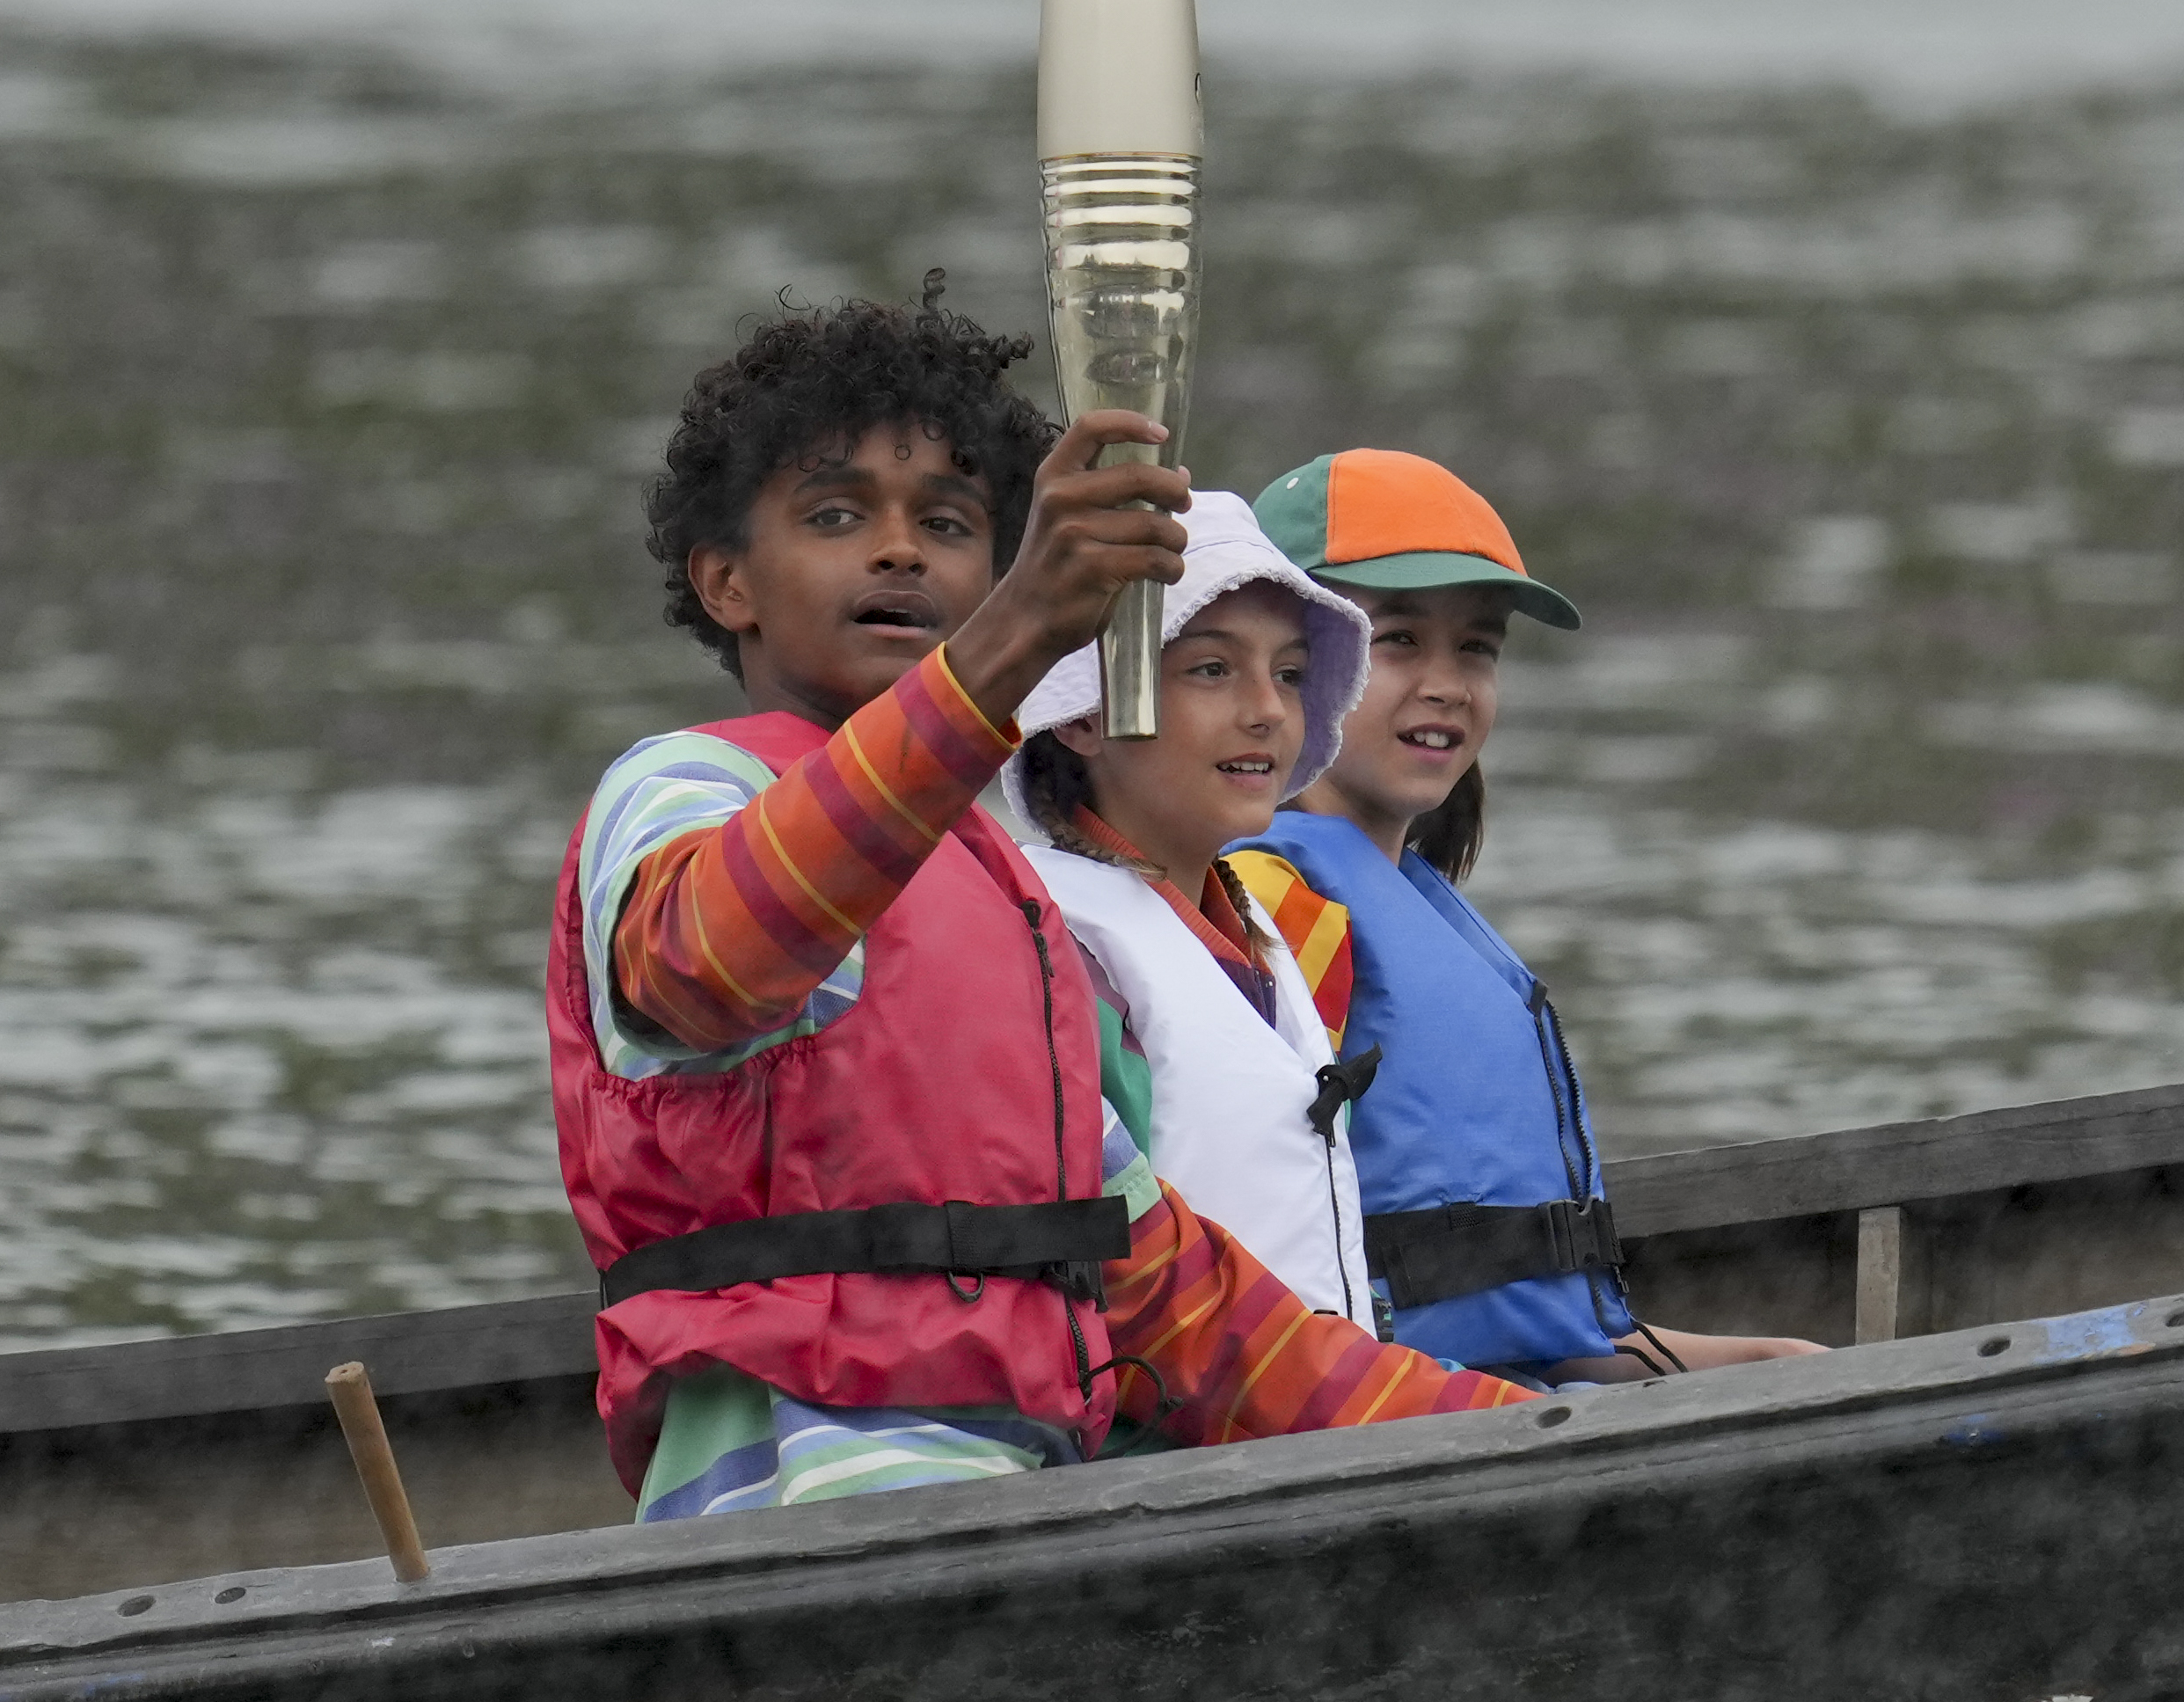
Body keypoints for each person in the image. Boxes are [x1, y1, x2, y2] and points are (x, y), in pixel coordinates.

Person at [551, 293, 1545, 1522]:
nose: (901, 550)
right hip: (796, 1525)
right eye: (833, 514)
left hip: (1019, 1511)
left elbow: (1176, 1298)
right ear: (725, 582)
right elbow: (702, 963)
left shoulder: (1009, 904)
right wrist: (1020, 628)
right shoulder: (682, 786)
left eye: (953, 523)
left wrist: (1522, 1427)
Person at [1238, 449, 1822, 1384]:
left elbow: (1529, 1324)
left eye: (1477, 647)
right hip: (1370, 1419)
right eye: (1397, 641)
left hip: (1484, 1396)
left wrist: (1746, 1360)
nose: (1447, 682)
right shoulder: (1274, 905)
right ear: (1279, 665)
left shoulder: (1413, 901)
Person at [999, 493, 1382, 1328]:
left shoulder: (1263, 932)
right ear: (1085, 714)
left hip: (1318, 1416)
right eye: (1212, 669)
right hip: (1182, 1440)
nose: (1268, 709)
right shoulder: (1057, 951)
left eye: (1287, 673)